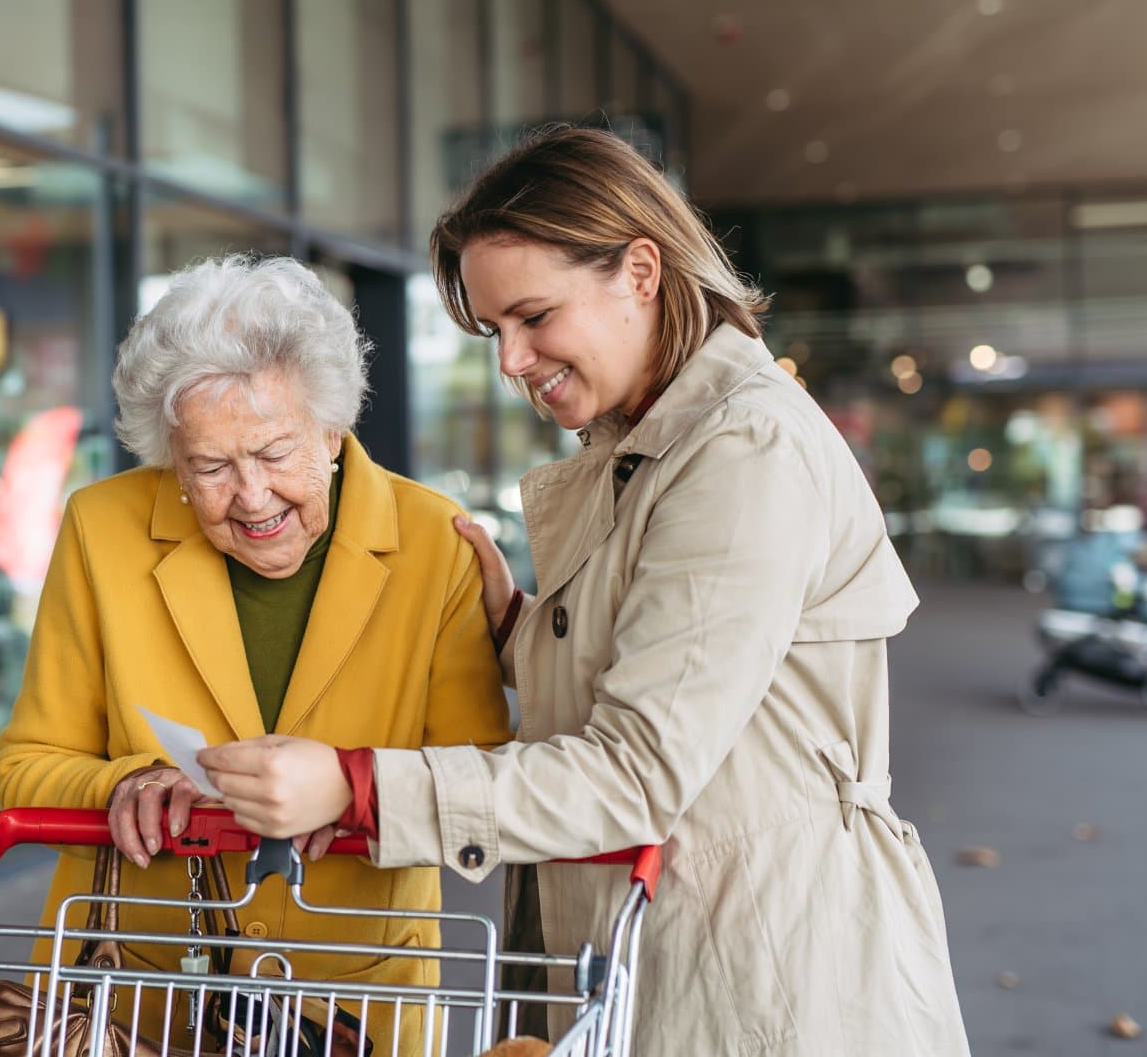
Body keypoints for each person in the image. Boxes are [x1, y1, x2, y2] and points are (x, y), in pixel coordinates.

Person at [198, 127, 972, 1056]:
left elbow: (639, 768)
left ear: (640, 272)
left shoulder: (741, 452)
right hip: (668, 949)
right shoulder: (650, 444)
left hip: (761, 978)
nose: (511, 361)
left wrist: (358, 789)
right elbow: (694, 672)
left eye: (533, 317)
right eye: (495, 331)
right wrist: (519, 630)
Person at [0, 253, 512, 1050]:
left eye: (274, 454)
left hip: (353, 1006)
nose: (253, 496)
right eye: (210, 467)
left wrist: (348, 790)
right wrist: (125, 782)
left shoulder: (434, 545)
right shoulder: (102, 530)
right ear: (171, 456)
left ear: (333, 433)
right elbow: (26, 764)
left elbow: (478, 779)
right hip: (139, 1000)